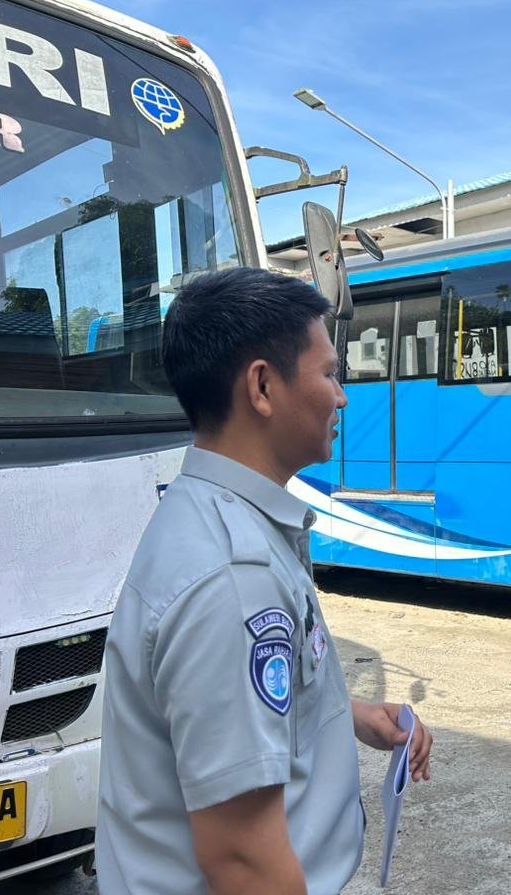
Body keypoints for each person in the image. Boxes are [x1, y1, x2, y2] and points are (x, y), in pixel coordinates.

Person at [95, 267, 433, 895]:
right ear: (262, 386)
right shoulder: (229, 577)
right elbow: (243, 861)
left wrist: (344, 713)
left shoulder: (222, 521)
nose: (342, 396)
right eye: (330, 372)